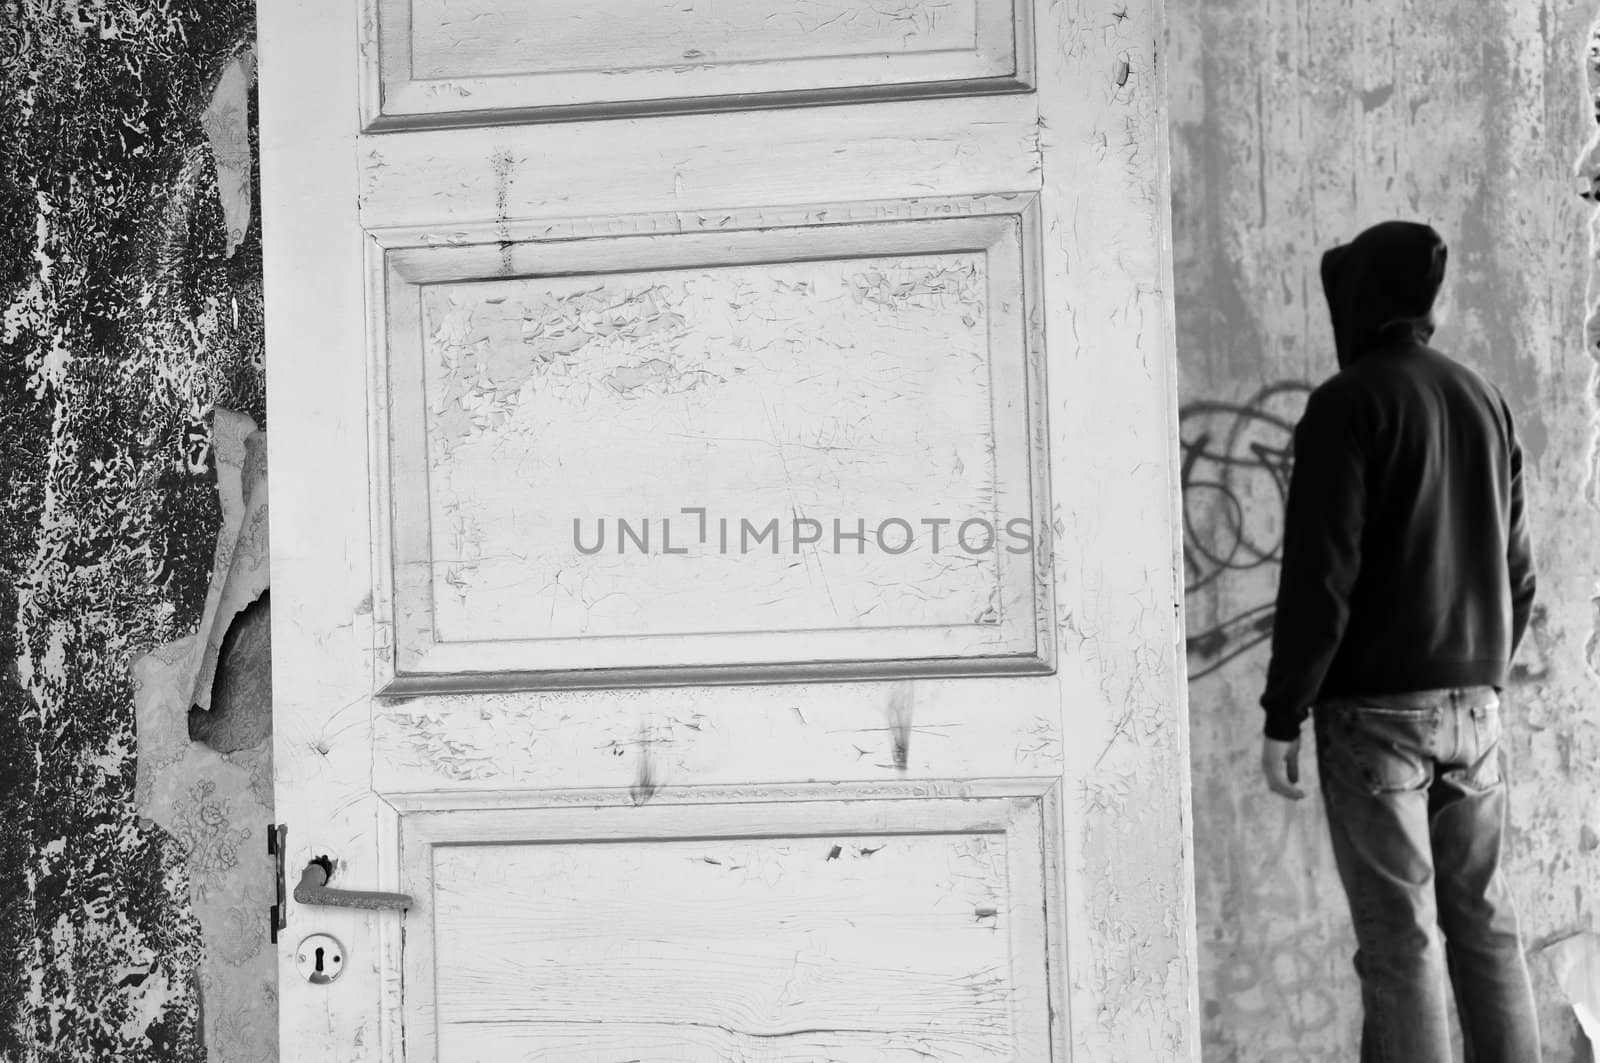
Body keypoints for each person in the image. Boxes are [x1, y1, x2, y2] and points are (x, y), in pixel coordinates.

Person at [1258, 220, 1541, 1063]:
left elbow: (1321, 578)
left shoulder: (1345, 405)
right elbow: (1520, 571)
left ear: (1358, 298)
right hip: (1479, 708)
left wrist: (1284, 714)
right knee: (1485, 924)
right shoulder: (1484, 397)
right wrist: (1480, 675)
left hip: (1376, 716)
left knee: (1401, 938)